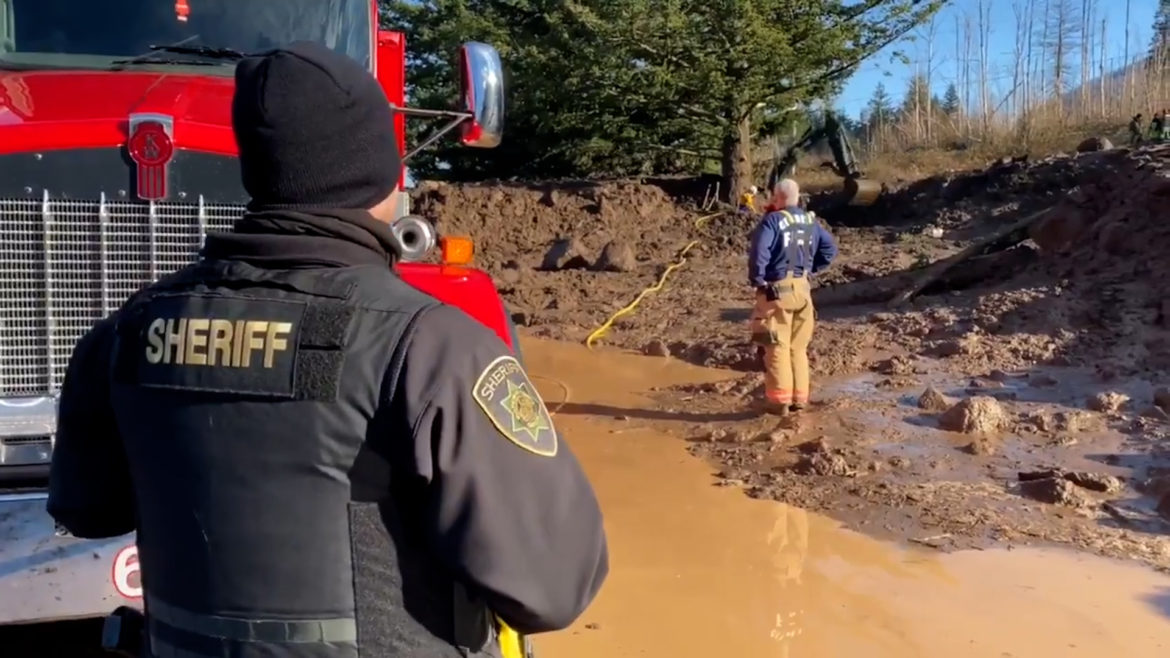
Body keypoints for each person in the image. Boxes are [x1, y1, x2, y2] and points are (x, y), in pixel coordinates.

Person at [47, 41, 608, 658]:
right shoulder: (431, 348)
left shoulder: (126, 332)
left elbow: (87, 510)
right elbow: (555, 585)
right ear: (380, 173)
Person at [747, 178, 838, 414]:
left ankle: (778, 403)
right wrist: (813, 268)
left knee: (776, 346)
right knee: (798, 348)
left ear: (777, 197)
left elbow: (760, 252)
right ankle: (800, 399)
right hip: (803, 290)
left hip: (777, 290)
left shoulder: (772, 221)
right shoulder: (811, 221)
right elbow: (830, 249)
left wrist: (758, 280)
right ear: (797, 197)